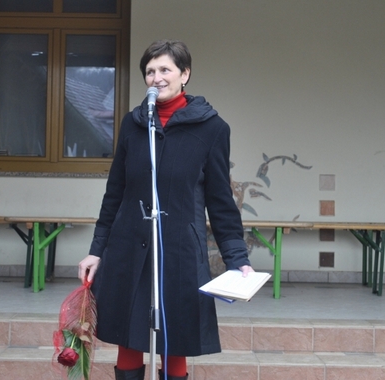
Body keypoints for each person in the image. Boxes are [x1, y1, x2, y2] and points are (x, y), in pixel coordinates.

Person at [78, 40, 253, 380]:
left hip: (180, 252)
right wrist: (96, 250)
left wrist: (237, 258)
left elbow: (220, 201)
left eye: (164, 70)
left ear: (184, 74)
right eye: (149, 71)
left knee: (176, 339)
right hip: (129, 247)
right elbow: (115, 193)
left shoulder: (213, 129)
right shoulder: (133, 124)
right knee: (129, 338)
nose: (156, 78)